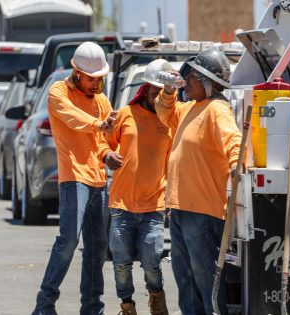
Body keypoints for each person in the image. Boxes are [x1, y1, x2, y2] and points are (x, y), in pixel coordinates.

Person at [154, 49, 242, 315]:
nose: (186, 84)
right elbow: (164, 112)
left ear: (207, 81)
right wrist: (169, 90)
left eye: (190, 78)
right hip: (182, 208)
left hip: (202, 212)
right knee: (185, 276)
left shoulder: (217, 109)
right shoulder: (192, 108)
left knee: (204, 276)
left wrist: (237, 162)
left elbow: (233, 139)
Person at [32, 41, 116, 315]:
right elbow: (72, 118)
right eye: (91, 79)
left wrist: (107, 156)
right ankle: (45, 305)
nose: (96, 83)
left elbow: (102, 140)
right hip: (73, 178)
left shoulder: (102, 101)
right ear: (77, 73)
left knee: (97, 247)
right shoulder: (59, 92)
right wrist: (98, 124)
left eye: (100, 79)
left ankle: (92, 308)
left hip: (97, 180)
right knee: (69, 240)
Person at [98, 59, 173, 315]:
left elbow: (174, 163)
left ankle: (156, 297)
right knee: (121, 264)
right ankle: (127, 305)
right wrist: (107, 154)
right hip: (122, 204)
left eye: (164, 92)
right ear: (145, 88)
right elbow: (102, 142)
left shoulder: (170, 121)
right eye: (155, 91)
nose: (158, 97)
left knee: (152, 261)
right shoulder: (124, 115)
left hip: (154, 205)